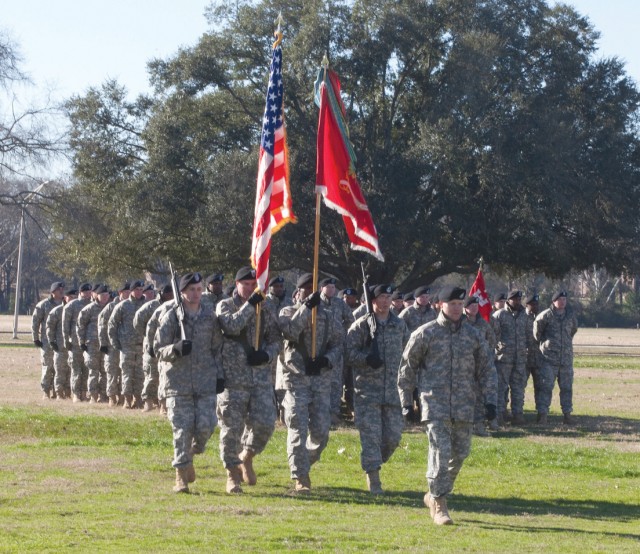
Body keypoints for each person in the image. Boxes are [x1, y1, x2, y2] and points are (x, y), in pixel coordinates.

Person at [398, 286, 496, 525]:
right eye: (451, 304)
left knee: (460, 453)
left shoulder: (473, 335)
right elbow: (407, 369)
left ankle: (433, 494)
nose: (456, 308)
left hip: (464, 404)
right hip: (435, 404)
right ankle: (440, 504)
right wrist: (406, 402)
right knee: (440, 453)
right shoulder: (425, 333)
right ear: (439, 305)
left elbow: (487, 369)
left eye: (459, 304)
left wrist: (491, 399)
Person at [154, 272, 223, 493]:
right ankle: (180, 476)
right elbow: (157, 349)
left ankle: (190, 455)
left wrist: (220, 376)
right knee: (182, 430)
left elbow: (217, 349)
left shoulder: (210, 317)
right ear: (182, 292)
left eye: (199, 289)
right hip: (178, 383)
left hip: (205, 382)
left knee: (206, 426)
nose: (195, 294)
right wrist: (174, 349)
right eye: (191, 290)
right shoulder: (171, 317)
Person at [216, 267, 281, 494]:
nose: (251, 288)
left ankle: (247, 455)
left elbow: (275, 339)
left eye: (255, 284)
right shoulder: (225, 305)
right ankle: (232, 474)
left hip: (260, 376)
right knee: (231, 428)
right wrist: (251, 305)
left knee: (266, 421)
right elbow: (231, 325)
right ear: (237, 285)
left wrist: (267, 354)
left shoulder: (268, 307)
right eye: (246, 284)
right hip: (234, 378)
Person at [278, 272, 344, 493]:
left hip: (320, 380)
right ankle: (300, 476)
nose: (309, 292)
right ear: (298, 292)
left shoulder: (328, 315)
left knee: (321, 433)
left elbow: (338, 344)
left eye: (312, 288)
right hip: (296, 378)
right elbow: (289, 331)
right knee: (297, 427)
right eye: (305, 289)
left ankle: (303, 461)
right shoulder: (288, 311)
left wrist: (328, 359)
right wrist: (306, 308)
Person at [346, 284, 409, 494]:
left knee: (393, 437)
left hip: (393, 390)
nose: (385, 301)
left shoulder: (399, 325)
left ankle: (373, 461)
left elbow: (408, 352)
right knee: (371, 436)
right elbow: (348, 354)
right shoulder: (361, 326)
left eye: (387, 297)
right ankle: (373, 478)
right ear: (372, 301)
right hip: (367, 392)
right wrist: (366, 359)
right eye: (380, 297)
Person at [533, 291, 578, 425]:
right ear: (554, 301)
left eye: (565, 299)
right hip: (548, 359)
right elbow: (537, 334)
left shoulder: (570, 316)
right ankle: (543, 415)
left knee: (567, 388)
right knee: (545, 387)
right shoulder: (545, 316)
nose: (563, 302)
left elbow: (573, 331)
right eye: (560, 299)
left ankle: (567, 414)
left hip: (565, 360)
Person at [319, 277, 354, 425]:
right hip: (320, 347)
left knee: (336, 381)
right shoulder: (317, 302)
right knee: (320, 381)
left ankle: (334, 412)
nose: (332, 290)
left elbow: (350, 320)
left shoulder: (340, 303)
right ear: (322, 288)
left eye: (334, 287)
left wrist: (342, 332)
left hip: (337, 347)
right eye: (329, 287)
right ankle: (320, 412)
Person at [134, 284, 174, 412]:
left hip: (167, 345)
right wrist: (147, 337)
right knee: (151, 375)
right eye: (167, 293)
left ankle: (163, 405)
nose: (170, 295)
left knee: (166, 375)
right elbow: (137, 321)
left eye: (171, 293)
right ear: (161, 293)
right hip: (151, 345)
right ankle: (148, 402)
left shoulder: (174, 305)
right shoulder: (151, 306)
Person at [108, 280, 146, 408]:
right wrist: (115, 343)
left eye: (141, 290)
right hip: (127, 347)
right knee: (127, 374)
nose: (139, 292)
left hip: (142, 346)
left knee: (140, 374)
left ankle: (138, 399)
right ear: (131, 291)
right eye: (137, 289)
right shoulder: (123, 306)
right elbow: (112, 325)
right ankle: (127, 399)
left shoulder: (146, 305)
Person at [492, 290, 528, 425]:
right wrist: (498, 349)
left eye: (519, 300)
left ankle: (518, 414)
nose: (518, 302)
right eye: (515, 300)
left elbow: (529, 334)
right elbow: (493, 335)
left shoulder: (524, 315)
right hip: (504, 359)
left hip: (520, 358)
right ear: (509, 300)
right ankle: (500, 414)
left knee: (518, 387)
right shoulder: (499, 315)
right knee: (501, 387)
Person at [464, 296, 498, 435]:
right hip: (463, 365)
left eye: (476, 306)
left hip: (480, 364)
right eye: (471, 306)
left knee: (479, 394)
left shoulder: (483, 324)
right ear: (465, 308)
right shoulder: (460, 323)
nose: (474, 308)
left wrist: (485, 355)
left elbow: (492, 340)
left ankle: (479, 425)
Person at [77, 285, 111, 402]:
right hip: (92, 344)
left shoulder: (111, 308)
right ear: (97, 295)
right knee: (93, 371)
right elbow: (80, 326)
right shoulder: (89, 309)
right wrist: (81, 342)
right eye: (103, 295)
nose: (105, 297)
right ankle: (93, 395)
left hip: (106, 345)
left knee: (105, 371)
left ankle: (103, 395)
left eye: (107, 295)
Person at [32, 281, 64, 399]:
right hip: (47, 342)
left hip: (61, 342)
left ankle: (57, 391)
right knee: (48, 366)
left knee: (59, 367)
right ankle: (46, 391)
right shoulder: (43, 305)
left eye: (62, 289)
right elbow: (35, 322)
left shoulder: (66, 304)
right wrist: (35, 338)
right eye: (58, 289)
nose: (61, 291)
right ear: (52, 292)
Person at [99, 282, 129, 406]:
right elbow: (102, 325)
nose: (127, 294)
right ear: (120, 293)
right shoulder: (111, 307)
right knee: (112, 371)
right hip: (111, 346)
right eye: (125, 292)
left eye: (129, 292)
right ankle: (112, 397)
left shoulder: (131, 306)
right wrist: (103, 343)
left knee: (124, 372)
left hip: (125, 346)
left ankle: (123, 397)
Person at [63, 283, 93, 402]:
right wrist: (66, 341)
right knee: (76, 369)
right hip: (75, 343)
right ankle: (76, 394)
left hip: (88, 343)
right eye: (85, 292)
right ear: (80, 293)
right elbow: (65, 325)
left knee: (86, 369)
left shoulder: (92, 305)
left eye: (89, 292)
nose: (88, 294)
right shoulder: (72, 305)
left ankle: (84, 393)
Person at [46, 288, 77, 399]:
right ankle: (58, 393)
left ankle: (68, 393)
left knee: (70, 371)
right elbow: (50, 327)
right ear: (65, 298)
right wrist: (51, 341)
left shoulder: (77, 310)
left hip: (73, 346)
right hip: (60, 346)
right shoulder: (57, 311)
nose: (73, 299)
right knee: (60, 371)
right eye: (71, 297)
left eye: (75, 297)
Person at [524, 293, 545, 422]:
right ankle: (518, 413)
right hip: (524, 359)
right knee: (519, 386)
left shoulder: (542, 317)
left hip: (539, 358)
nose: (535, 306)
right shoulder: (521, 318)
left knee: (540, 387)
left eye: (537, 304)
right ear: (527, 305)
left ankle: (541, 413)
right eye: (533, 304)